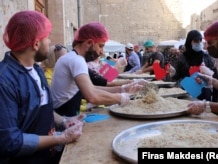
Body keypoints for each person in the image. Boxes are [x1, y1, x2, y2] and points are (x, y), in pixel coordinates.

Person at [0, 10, 84, 164]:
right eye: (47, 37)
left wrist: (65, 121)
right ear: (36, 43)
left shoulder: (37, 70)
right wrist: (61, 138)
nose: (50, 41)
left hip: (47, 157)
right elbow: (9, 141)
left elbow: (41, 110)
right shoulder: (4, 81)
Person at [50, 22, 145, 117]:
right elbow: (93, 95)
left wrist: (122, 89)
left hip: (65, 115)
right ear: (89, 43)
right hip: (63, 117)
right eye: (100, 46)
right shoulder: (76, 60)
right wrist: (120, 97)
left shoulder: (72, 58)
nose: (102, 52)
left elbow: (92, 88)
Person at [172, 30, 216, 101]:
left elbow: (214, 74)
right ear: (189, 42)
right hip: (186, 92)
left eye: (200, 40)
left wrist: (208, 72)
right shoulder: (182, 58)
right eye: (195, 41)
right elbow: (176, 76)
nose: (198, 43)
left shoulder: (206, 56)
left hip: (204, 93)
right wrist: (173, 73)